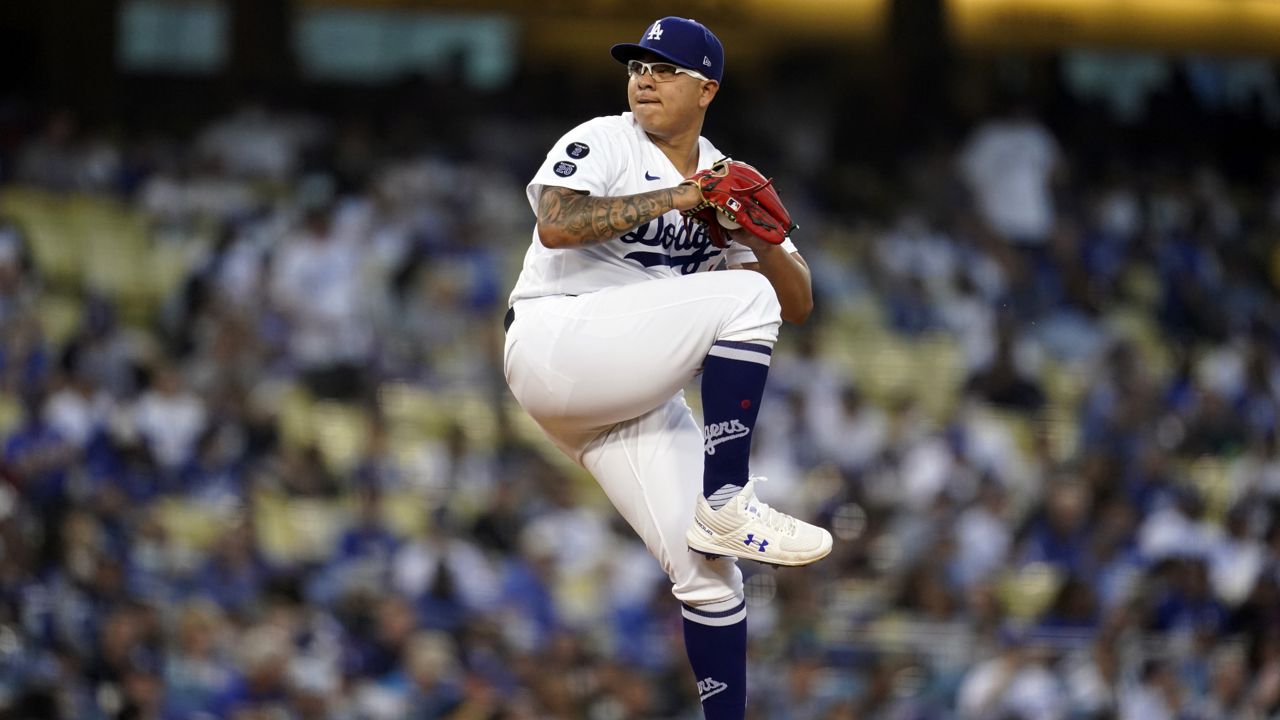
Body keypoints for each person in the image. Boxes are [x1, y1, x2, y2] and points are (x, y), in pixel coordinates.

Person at [501, 16, 831, 718]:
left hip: (623, 394)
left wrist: (761, 238)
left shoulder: (727, 179)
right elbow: (556, 222)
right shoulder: (606, 138)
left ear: (706, 87)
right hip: (556, 337)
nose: (643, 77)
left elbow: (798, 303)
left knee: (712, 577)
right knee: (740, 298)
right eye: (637, 65)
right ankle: (726, 501)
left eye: (664, 68)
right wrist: (684, 198)